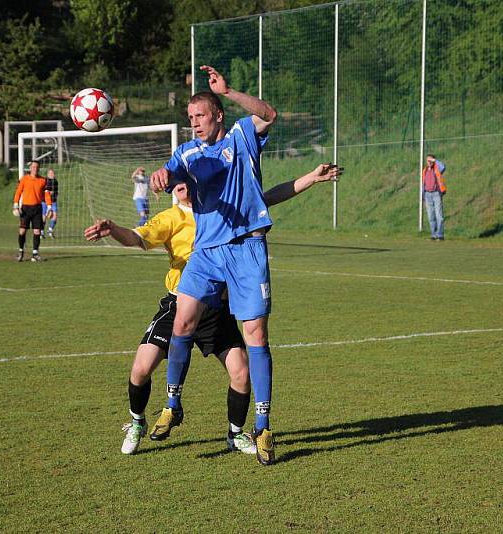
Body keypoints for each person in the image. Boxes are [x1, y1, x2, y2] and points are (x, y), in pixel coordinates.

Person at [84, 164, 341, 456]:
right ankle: (137, 422)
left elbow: (266, 197)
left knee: (241, 372)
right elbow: (137, 238)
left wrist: (311, 177)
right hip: (179, 304)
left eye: (184, 182)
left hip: (216, 309)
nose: (180, 187)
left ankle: (235, 434)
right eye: (175, 184)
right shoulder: (170, 218)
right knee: (141, 369)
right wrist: (113, 229)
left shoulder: (222, 210)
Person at [149, 64, 279, 465]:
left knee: (254, 336)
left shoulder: (242, 136)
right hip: (206, 252)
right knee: (183, 320)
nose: (194, 124)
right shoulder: (187, 152)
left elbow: (269, 113)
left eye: (200, 116)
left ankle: (263, 427)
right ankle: (173, 405)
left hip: (246, 249)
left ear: (218, 114)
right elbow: (173, 172)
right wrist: (162, 176)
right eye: (189, 119)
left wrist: (229, 90)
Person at [13, 161, 51, 262]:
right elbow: (18, 192)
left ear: (39, 168)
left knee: (37, 231)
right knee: (22, 231)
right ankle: (21, 251)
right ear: (30, 168)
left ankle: (35, 254)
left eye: (37, 167)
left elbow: (46, 194)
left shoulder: (43, 180)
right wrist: (16, 205)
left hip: (37, 208)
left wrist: (49, 207)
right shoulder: (24, 179)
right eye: (33, 167)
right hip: (25, 208)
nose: (35, 168)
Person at [422, 154, 447, 241]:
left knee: (439, 215)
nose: (428, 162)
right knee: (430, 216)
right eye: (427, 160)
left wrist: (434, 160)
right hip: (427, 195)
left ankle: (440, 235)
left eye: (430, 160)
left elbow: (443, 166)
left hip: (436, 194)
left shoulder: (437, 168)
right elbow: (423, 184)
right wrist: (423, 195)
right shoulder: (424, 170)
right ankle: (434, 235)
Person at [41, 169, 58, 239]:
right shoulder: (45, 181)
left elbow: (56, 192)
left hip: (53, 201)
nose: (51, 174)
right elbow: (43, 190)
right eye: (50, 173)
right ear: (47, 174)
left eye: (52, 173)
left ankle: (50, 230)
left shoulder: (56, 182)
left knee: (55, 216)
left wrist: (54, 194)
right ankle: (41, 232)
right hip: (44, 202)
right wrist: (48, 192)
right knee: (44, 217)